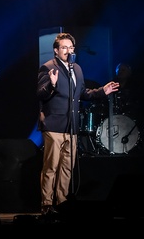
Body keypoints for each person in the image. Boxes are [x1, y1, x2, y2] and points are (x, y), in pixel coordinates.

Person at [36, 33, 119, 216]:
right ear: (56, 51)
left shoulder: (77, 69)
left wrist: (102, 91)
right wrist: (51, 84)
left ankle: (62, 202)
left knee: (67, 167)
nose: (68, 51)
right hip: (53, 125)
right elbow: (41, 95)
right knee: (51, 167)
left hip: (71, 126)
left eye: (71, 48)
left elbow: (83, 93)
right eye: (64, 48)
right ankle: (47, 205)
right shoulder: (48, 67)